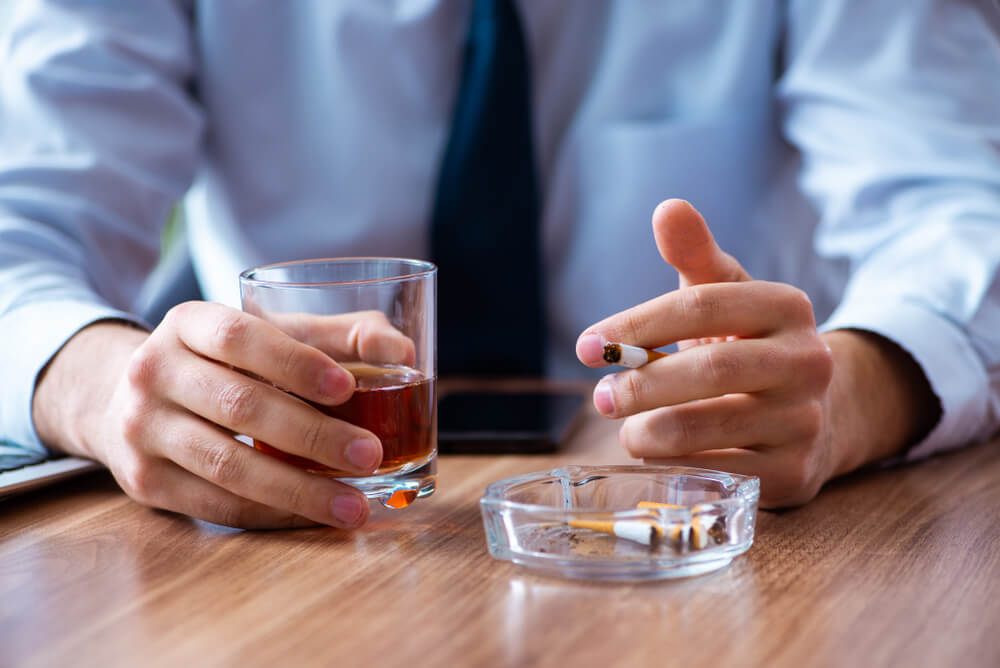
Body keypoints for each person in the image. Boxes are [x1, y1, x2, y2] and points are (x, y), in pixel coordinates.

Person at [1, 2, 997, 529]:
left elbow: (966, 207)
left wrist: (856, 390)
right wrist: (101, 384)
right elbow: (21, 221)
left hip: (705, 511)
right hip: (303, 512)